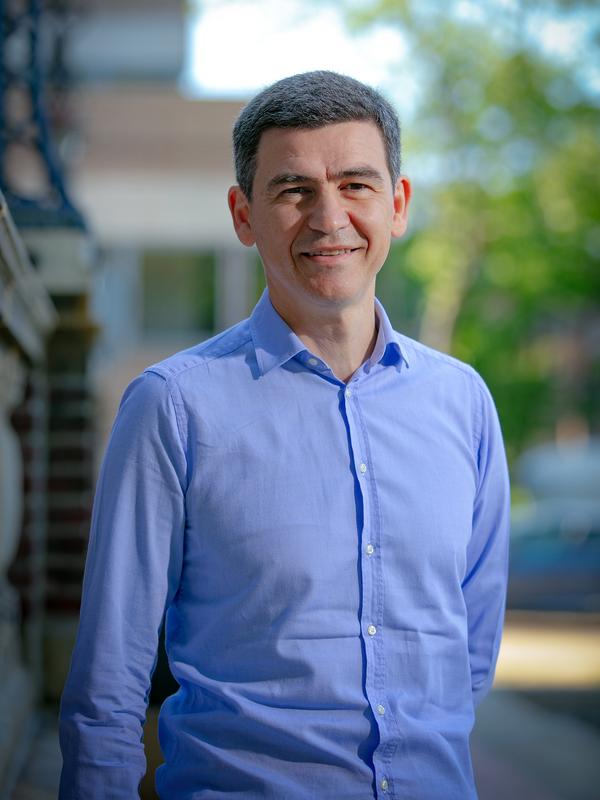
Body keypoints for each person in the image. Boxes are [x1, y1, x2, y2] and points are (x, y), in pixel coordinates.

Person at [59, 70, 510, 799]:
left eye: (357, 185)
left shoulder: (463, 403)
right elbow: (108, 689)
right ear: (243, 215)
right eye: (294, 189)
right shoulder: (173, 408)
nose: (329, 218)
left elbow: (469, 656)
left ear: (398, 206)